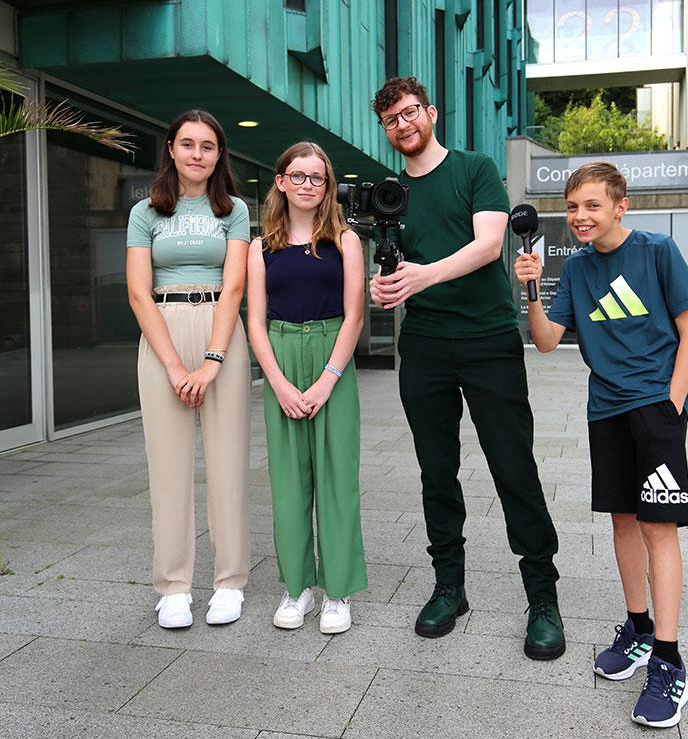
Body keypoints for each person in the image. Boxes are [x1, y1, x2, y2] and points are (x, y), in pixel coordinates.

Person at [369, 76, 564, 659]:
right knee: (437, 470)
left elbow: (487, 245)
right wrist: (386, 286)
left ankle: (542, 597)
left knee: (513, 466)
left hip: (487, 338)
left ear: (430, 112)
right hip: (424, 343)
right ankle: (449, 588)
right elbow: (393, 266)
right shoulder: (391, 194)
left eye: (409, 113)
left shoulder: (476, 168)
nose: (402, 125)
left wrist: (422, 275)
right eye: (390, 121)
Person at [514, 162, 688, 727]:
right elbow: (547, 342)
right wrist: (529, 290)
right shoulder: (573, 270)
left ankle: (669, 664)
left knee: (657, 528)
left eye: (592, 206)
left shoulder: (657, 250)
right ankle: (639, 628)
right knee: (624, 521)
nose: (580, 217)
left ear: (621, 206)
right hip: (607, 410)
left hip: (655, 409)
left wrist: (672, 404)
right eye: (572, 208)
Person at [127, 109, 251, 629]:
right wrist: (177, 366)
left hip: (221, 329)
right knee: (168, 465)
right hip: (163, 331)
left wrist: (212, 360)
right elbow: (137, 290)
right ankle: (173, 586)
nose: (197, 153)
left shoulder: (235, 210)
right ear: (172, 150)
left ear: (219, 153)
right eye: (187, 144)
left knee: (228, 464)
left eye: (207, 145)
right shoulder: (146, 212)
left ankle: (229, 582)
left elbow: (237, 286)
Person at [247, 141, 367, 635]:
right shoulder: (261, 246)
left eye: (316, 178)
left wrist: (326, 381)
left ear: (327, 186)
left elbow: (355, 313)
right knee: (289, 482)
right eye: (298, 176)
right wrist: (277, 383)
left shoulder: (346, 241)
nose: (307, 185)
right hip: (280, 355)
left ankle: (337, 592)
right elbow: (254, 321)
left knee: (337, 479)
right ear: (280, 181)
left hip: (331, 355)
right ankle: (296, 587)